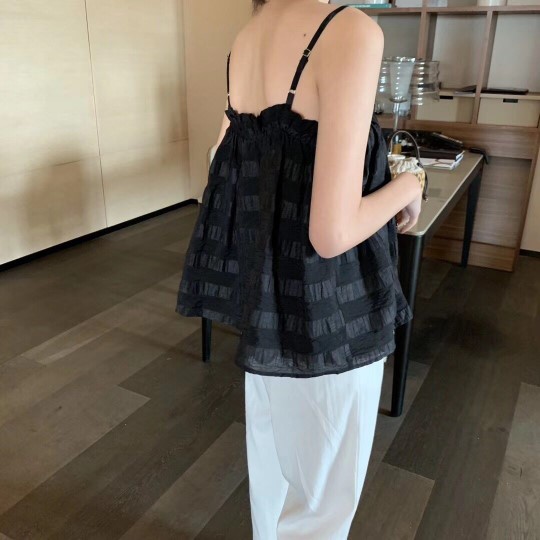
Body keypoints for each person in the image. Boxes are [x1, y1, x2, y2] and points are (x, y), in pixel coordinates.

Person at [176, 0, 423, 538]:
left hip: (265, 302)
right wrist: (410, 184)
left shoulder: (249, 35)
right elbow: (332, 233)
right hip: (332, 309)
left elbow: (219, 163)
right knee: (324, 495)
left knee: (273, 466)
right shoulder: (351, 30)